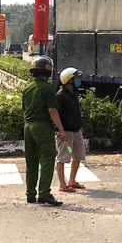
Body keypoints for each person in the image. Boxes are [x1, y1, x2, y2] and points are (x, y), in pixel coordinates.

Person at [22, 56, 69, 206]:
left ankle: (30, 194)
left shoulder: (27, 88)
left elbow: (24, 109)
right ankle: (44, 193)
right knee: (47, 159)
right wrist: (61, 130)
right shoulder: (48, 89)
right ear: (48, 72)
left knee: (31, 161)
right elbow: (52, 111)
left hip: (28, 126)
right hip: (42, 127)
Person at [54, 67, 87, 193]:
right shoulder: (60, 96)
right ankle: (62, 184)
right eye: (75, 78)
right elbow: (56, 114)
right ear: (69, 80)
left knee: (78, 156)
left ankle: (72, 181)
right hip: (66, 134)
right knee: (63, 157)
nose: (78, 80)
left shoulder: (74, 93)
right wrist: (60, 131)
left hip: (76, 132)